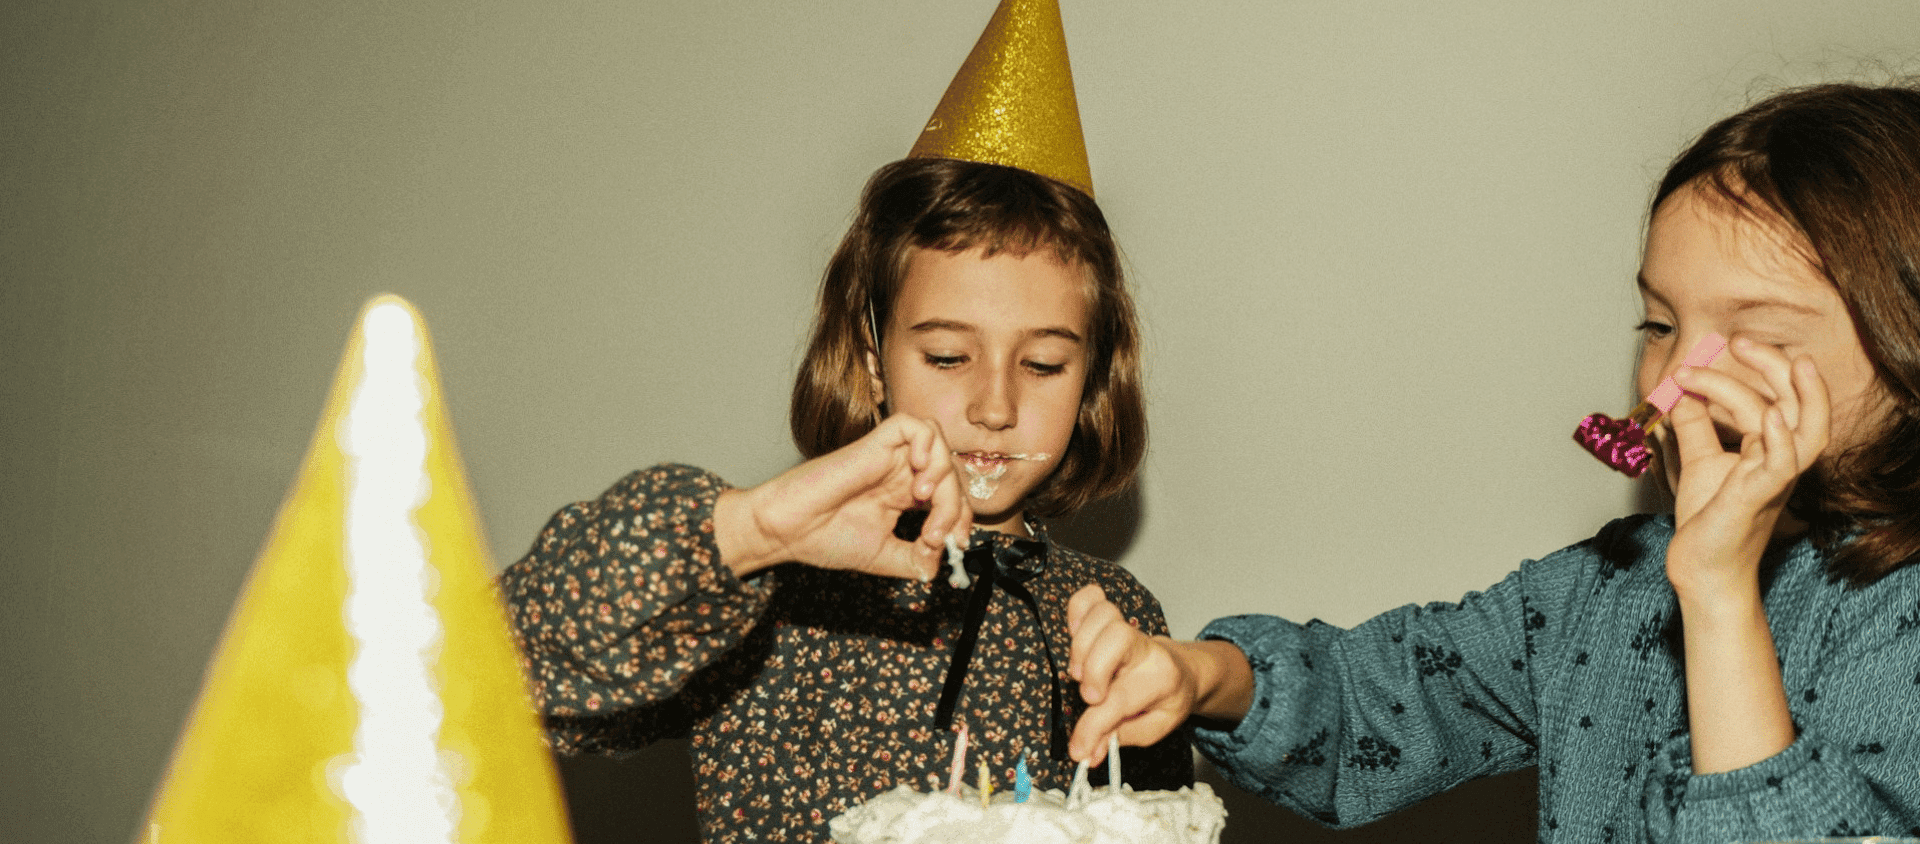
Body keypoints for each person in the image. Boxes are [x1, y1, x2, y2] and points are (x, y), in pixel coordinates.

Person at [1065, 81, 1920, 844]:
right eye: (1659, 327)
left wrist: (1720, 597)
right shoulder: (1604, 594)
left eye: (1758, 336)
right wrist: (1198, 675)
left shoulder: (1898, 622)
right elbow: (1383, 695)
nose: (1672, 382)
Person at [496, 3, 1190, 842]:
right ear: (870, 359)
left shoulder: (1117, 612)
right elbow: (500, 668)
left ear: (1091, 385)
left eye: (1043, 364)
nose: (996, 405)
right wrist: (744, 534)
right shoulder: (776, 594)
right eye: (945, 357)